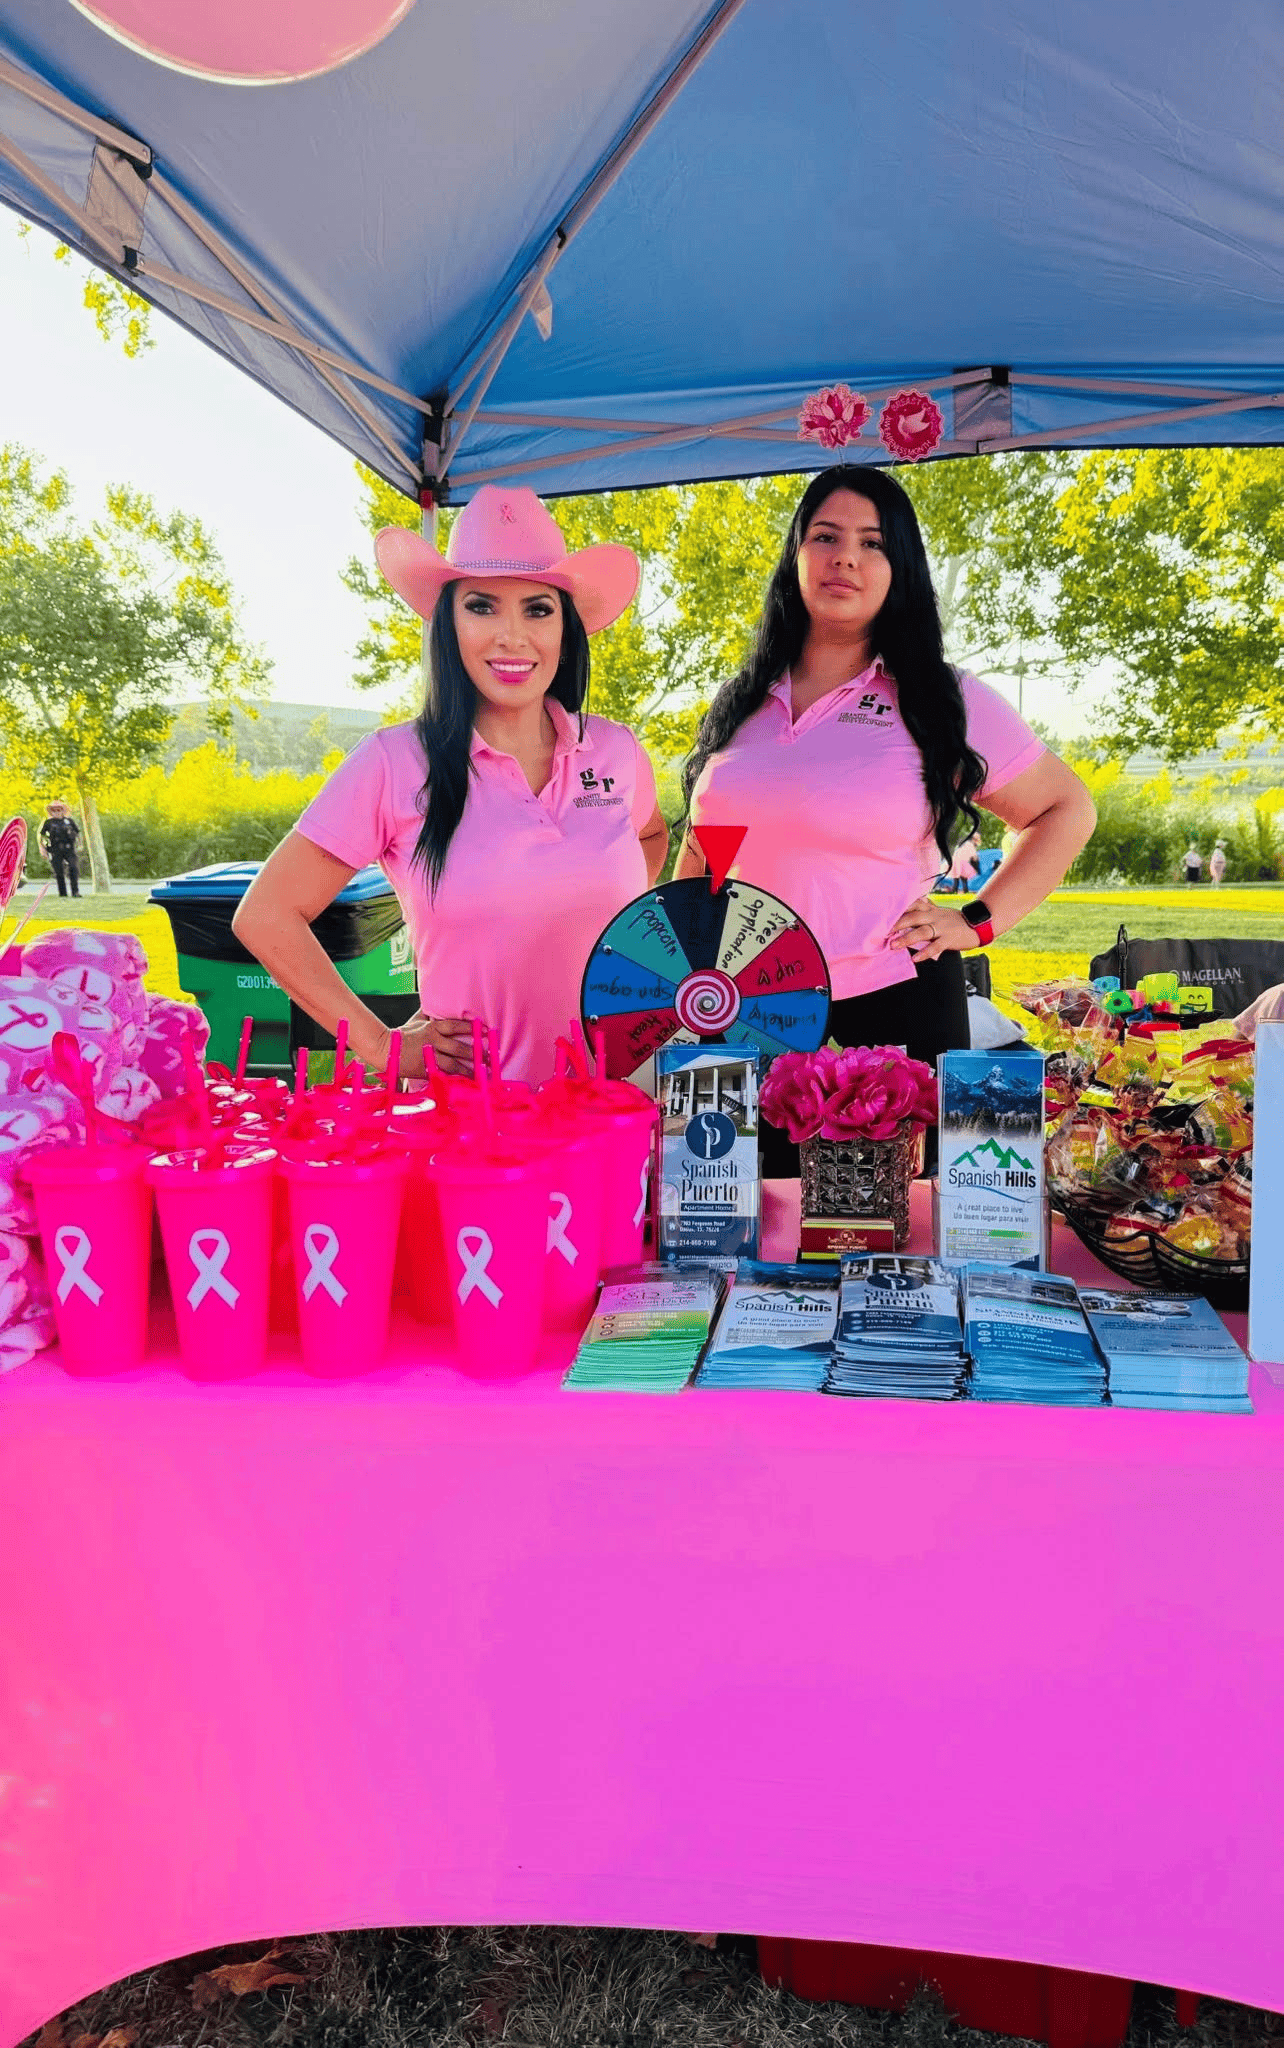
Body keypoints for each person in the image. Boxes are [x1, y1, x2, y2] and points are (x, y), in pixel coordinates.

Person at [676, 466, 1096, 1173]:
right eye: (826, 536)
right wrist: (679, 970)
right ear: (796, 556)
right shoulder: (741, 700)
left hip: (891, 1004)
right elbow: (707, 844)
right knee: (747, 1240)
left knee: (896, 1244)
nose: (846, 557)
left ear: (899, 568)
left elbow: (1067, 810)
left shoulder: (942, 698)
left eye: (873, 543)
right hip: (745, 1010)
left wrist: (978, 919)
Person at [233, 488, 667, 1085]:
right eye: (482, 607)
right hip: (467, 1130)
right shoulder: (393, 762)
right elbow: (267, 915)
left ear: (566, 627)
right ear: (448, 623)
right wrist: (383, 1047)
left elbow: (648, 835)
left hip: (613, 1110)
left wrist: (586, 921)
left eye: (538, 608)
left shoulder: (617, 751)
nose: (511, 637)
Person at [38, 800, 81, 898]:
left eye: (59, 809)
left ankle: (75, 892)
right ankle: (63, 893)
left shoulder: (69, 821)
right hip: (55, 850)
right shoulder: (48, 823)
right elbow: (42, 837)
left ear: (63, 810)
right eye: (54, 810)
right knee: (59, 872)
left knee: (73, 868)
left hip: (69, 849)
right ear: (51, 811)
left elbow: (77, 834)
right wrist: (43, 849)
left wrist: (80, 844)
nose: (56, 812)